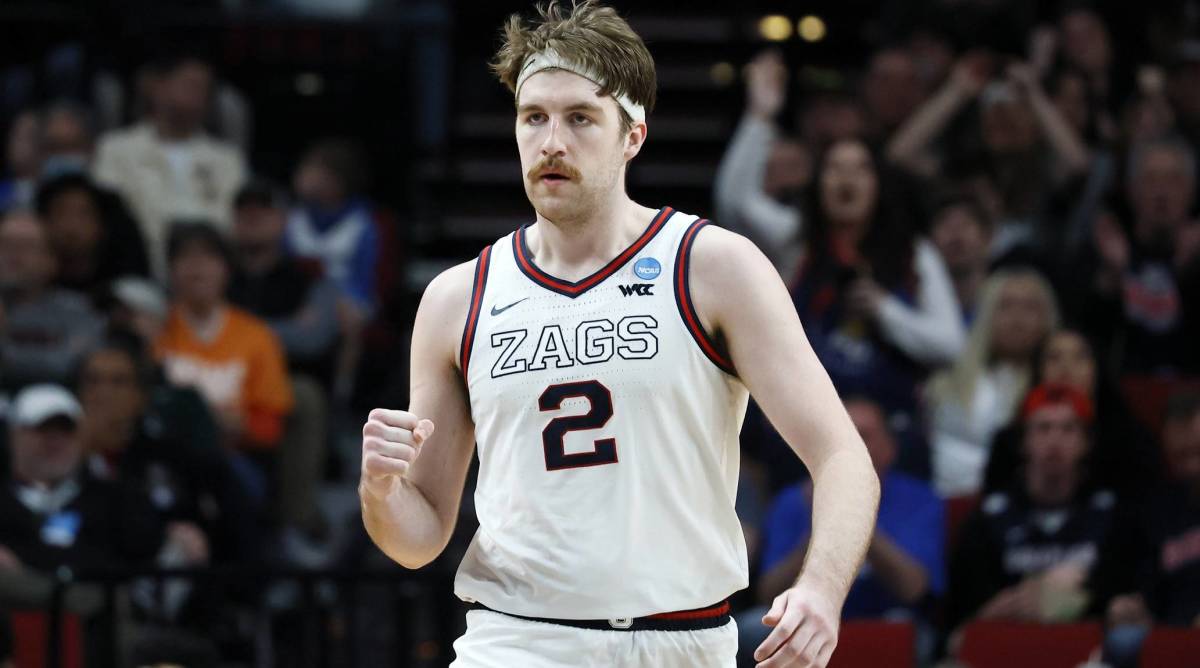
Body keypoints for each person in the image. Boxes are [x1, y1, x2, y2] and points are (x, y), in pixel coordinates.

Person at [358, 3, 880, 667]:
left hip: (679, 642)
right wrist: (380, 494)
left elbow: (843, 458)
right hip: (517, 640)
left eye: (580, 118)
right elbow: (420, 535)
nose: (552, 141)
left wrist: (822, 590)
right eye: (534, 118)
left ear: (632, 134)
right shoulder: (457, 297)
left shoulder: (712, 266)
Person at [742, 397, 944, 665]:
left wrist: (850, 517)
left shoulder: (919, 499)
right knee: (749, 629)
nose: (852, 446)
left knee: (918, 636)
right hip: (804, 617)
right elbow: (768, 593)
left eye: (864, 435)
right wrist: (820, 527)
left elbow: (913, 590)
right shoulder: (793, 500)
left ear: (890, 448)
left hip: (887, 617)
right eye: (843, 435)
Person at [945, 383, 1116, 638]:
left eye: (1068, 429)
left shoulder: (1114, 517)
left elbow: (1119, 598)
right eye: (1043, 428)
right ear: (1024, 440)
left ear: (1086, 442)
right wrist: (987, 616)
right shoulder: (987, 520)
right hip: (1005, 644)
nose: (1054, 440)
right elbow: (957, 614)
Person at [155, 222, 293, 504]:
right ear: (170, 270)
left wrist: (235, 424)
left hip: (233, 461)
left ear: (226, 269)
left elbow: (270, 428)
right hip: (166, 458)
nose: (197, 267)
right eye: (186, 257)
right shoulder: (155, 331)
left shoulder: (256, 336)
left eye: (208, 257)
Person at [92, 54, 246, 279]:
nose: (197, 94)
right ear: (156, 86)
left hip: (208, 275)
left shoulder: (228, 158)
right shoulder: (115, 149)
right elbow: (112, 216)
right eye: (189, 84)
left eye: (204, 88)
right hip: (137, 271)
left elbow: (231, 223)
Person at [1069, 136, 1200, 375]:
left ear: (1192, 190)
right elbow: (1082, 338)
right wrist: (1111, 277)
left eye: (1173, 180)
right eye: (1151, 179)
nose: (1162, 192)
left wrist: (1188, 275)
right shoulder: (1102, 251)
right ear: (1131, 189)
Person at [1089, 391, 1200, 667]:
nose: (1190, 463)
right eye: (1181, 455)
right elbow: (1145, 589)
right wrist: (1133, 609)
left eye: (1197, 451)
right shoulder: (1157, 510)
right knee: (1122, 640)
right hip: (1174, 637)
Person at [926, 269, 1059, 497]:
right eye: (1006, 305)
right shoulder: (944, 379)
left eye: (1030, 307)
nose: (1017, 318)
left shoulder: (1055, 392)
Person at [714, 50, 809, 276]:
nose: (784, 174)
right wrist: (759, 117)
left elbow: (740, 200)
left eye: (793, 166)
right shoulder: (782, 226)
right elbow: (738, 200)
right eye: (773, 167)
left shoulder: (805, 225)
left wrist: (759, 116)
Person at [0, 209, 104, 389]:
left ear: (51, 260)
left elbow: (71, 368)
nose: (14, 254)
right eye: (5, 244)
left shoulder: (78, 311)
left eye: (26, 246)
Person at [34, 172, 150, 296]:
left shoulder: (128, 292)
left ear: (102, 225)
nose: (72, 225)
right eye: (61, 213)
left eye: (83, 214)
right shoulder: (30, 289)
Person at [928, 193, 994, 323]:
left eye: (965, 223)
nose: (955, 233)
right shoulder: (911, 304)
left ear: (988, 238)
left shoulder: (1006, 306)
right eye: (946, 224)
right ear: (930, 240)